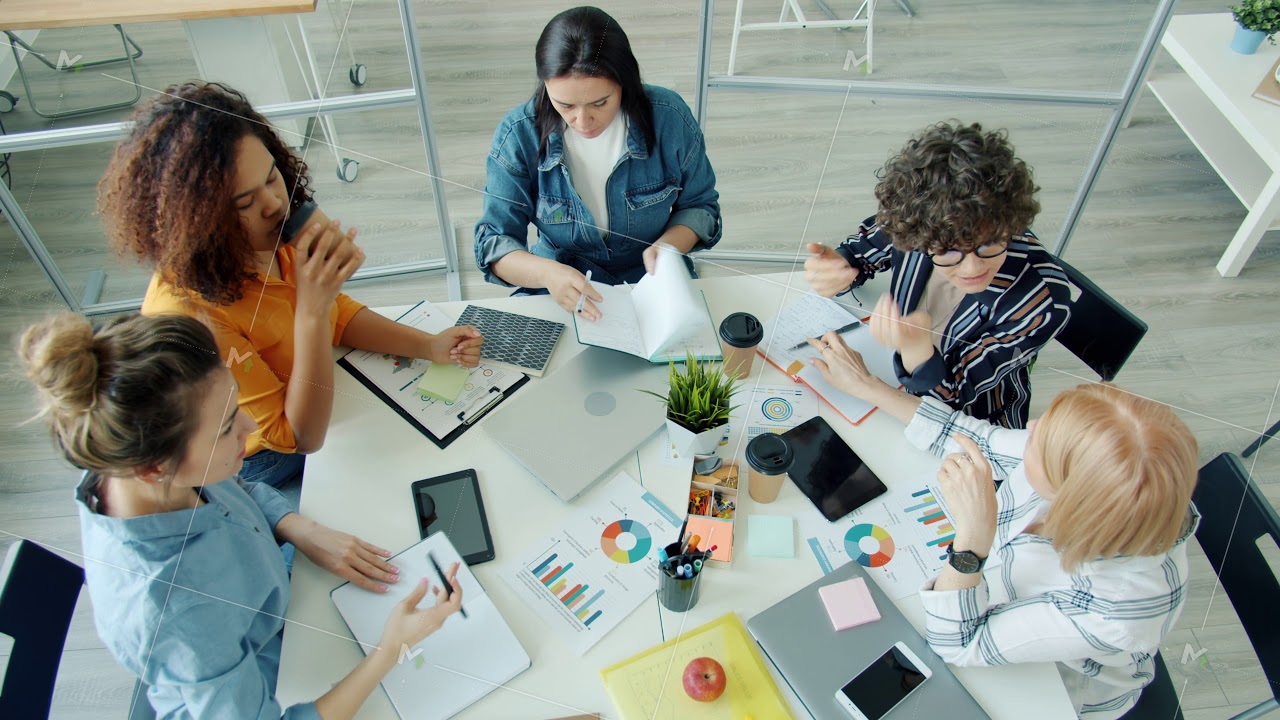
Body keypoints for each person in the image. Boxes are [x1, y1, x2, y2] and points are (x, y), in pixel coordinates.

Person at [17, 312, 464, 719]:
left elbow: (238, 487)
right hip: (268, 681)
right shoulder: (174, 607)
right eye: (228, 426)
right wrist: (390, 650)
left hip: (279, 608)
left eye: (236, 409)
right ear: (155, 468)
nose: (250, 431)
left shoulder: (145, 469)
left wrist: (297, 526)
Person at [99, 81, 484, 496]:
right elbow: (297, 436)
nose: (274, 205)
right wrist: (313, 312)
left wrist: (427, 346)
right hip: (265, 458)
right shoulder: (192, 318)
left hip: (323, 394)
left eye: (272, 178)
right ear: (195, 221)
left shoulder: (276, 230)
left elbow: (339, 315)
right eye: (243, 203)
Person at [808, 333, 1199, 720]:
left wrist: (972, 541)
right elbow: (981, 441)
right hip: (991, 590)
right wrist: (870, 387)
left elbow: (961, 644)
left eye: (1036, 445)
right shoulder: (1103, 468)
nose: (1027, 432)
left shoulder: (1118, 610)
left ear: (1071, 498)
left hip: (1048, 689)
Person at [804, 121, 1071, 428]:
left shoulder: (1041, 301)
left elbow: (954, 399)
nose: (972, 269)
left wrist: (915, 347)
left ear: (1010, 225)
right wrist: (844, 266)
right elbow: (866, 249)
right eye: (947, 250)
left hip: (970, 422)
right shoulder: (923, 220)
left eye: (990, 244)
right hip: (889, 375)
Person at [474, 6, 722, 320]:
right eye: (564, 104)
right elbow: (494, 244)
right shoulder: (518, 134)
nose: (582, 120)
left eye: (600, 103)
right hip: (558, 279)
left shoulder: (669, 118)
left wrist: (671, 246)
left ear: (625, 82)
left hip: (650, 281)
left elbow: (702, 207)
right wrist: (547, 275)